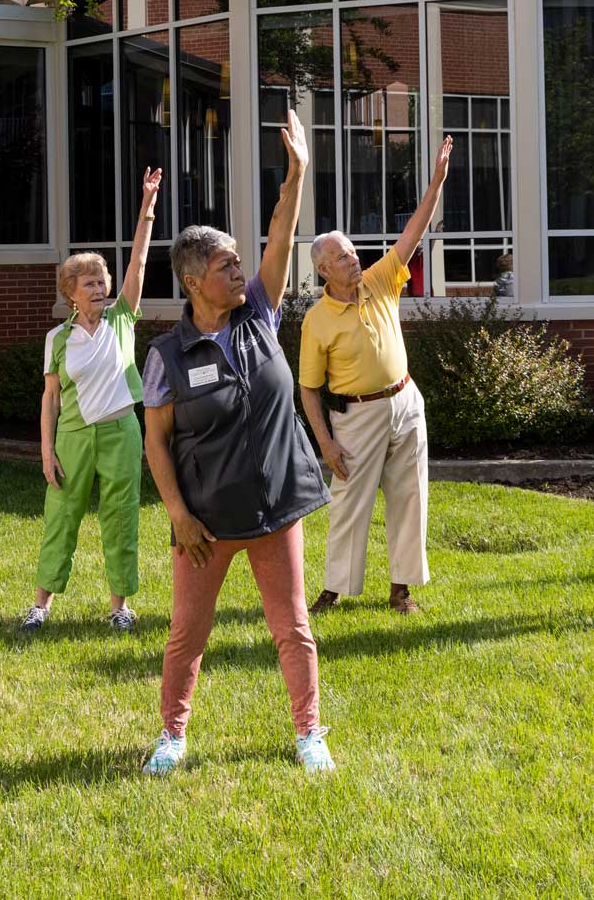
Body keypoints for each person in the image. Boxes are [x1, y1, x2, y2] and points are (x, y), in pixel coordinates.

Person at [138, 109, 334, 776]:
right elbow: (156, 442)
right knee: (188, 634)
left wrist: (298, 172)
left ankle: (310, 735)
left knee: (293, 627)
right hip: (207, 520)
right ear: (194, 281)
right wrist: (178, 512)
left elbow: (282, 235)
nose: (237, 274)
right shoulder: (168, 353)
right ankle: (172, 737)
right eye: (225, 267)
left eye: (237, 264)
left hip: (275, 506)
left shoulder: (259, 315)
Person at [299, 135, 453, 616]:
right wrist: (325, 442)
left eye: (353, 252)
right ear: (324, 269)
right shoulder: (317, 319)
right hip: (356, 416)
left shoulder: (380, 281)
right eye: (343, 256)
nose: (355, 259)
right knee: (349, 501)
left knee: (411, 496)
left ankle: (402, 589)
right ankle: (335, 587)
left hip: (406, 403)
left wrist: (437, 184)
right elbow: (308, 388)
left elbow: (411, 236)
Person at [22, 167, 164, 635]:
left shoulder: (122, 319)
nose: (100, 289)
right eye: (91, 284)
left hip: (121, 431)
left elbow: (139, 266)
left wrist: (146, 210)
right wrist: (46, 450)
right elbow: (49, 400)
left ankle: (119, 605)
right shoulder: (57, 339)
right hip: (73, 437)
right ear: (71, 293)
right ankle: (40, 605)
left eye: (102, 281)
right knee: (62, 515)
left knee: (121, 516)